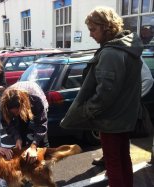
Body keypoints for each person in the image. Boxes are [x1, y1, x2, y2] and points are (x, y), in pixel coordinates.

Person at [60, 7, 143, 187]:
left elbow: (105, 94)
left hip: (111, 122)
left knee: (113, 164)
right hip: (124, 119)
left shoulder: (110, 53)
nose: (90, 34)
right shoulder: (129, 49)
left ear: (106, 27)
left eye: (93, 29)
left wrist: (86, 110)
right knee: (123, 159)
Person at [92, 58, 154, 166]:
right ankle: (108, 159)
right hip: (110, 106)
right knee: (109, 138)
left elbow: (148, 80)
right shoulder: (108, 52)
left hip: (121, 109)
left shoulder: (131, 54)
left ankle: (115, 166)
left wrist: (130, 99)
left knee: (120, 143)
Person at [0, 81, 49, 163]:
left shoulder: (36, 99)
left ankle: (44, 163)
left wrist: (34, 145)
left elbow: (41, 124)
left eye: (17, 112)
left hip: (34, 102)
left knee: (42, 140)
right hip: (22, 106)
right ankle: (26, 161)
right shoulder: (4, 105)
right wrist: (17, 138)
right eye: (13, 113)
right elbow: (8, 124)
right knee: (21, 135)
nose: (15, 114)